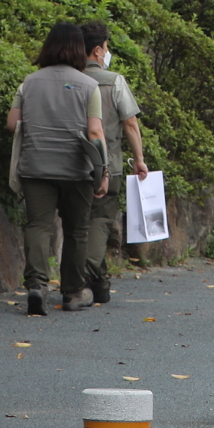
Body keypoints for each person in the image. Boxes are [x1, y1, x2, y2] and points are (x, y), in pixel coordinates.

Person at [7, 21, 107, 316]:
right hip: (76, 169)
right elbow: (95, 133)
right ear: (80, 49)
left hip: (36, 165)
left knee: (38, 225)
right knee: (77, 230)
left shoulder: (29, 82)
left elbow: (12, 123)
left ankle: (37, 285)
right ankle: (73, 292)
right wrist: (103, 172)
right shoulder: (89, 86)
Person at [77, 20, 151, 302]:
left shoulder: (68, 78)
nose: (107, 52)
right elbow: (130, 123)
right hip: (109, 163)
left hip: (70, 164)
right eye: (106, 47)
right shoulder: (113, 80)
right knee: (100, 220)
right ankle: (86, 275)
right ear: (98, 50)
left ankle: (100, 285)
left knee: (79, 223)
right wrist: (140, 159)